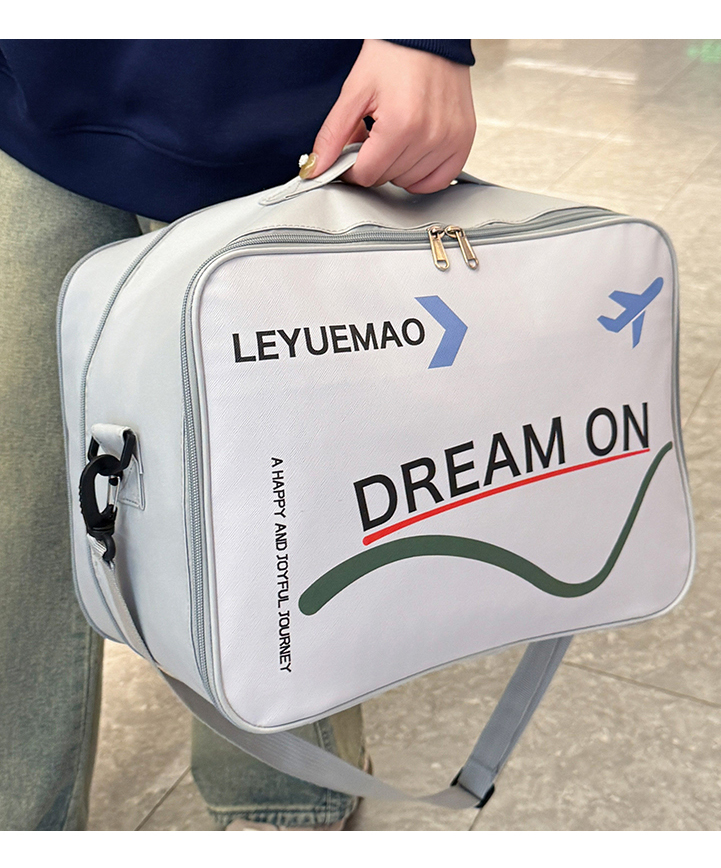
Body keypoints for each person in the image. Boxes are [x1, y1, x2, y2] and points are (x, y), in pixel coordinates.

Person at [0, 38, 476, 831]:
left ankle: (283, 795)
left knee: (270, 509)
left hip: (278, 112)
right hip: (32, 87)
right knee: (16, 517)